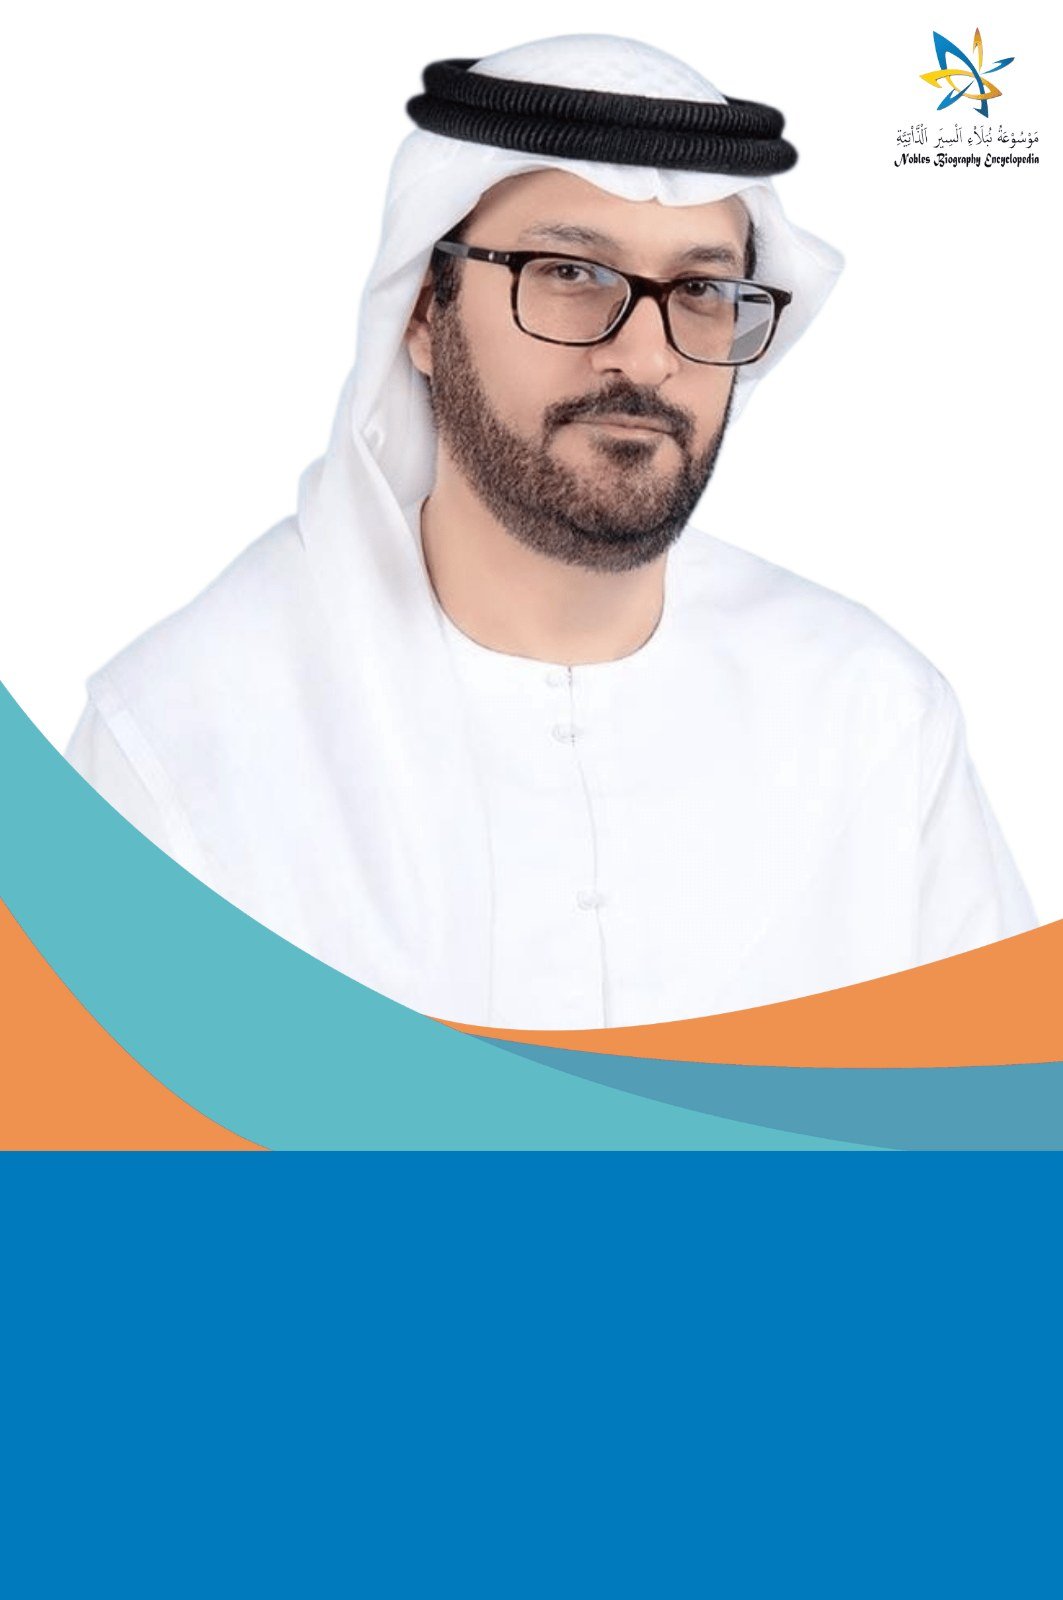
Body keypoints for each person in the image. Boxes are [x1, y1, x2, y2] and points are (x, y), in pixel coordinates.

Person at [65, 34, 1037, 1029]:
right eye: (571, 272)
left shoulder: (872, 717)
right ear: (423, 313)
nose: (645, 357)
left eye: (701, 293)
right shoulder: (184, 736)